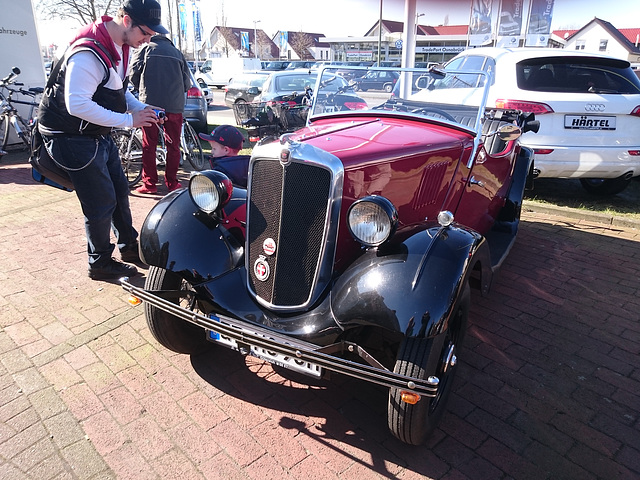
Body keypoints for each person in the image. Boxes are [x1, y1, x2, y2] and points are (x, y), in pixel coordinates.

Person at [37, 0, 168, 280]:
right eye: (145, 32)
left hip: (94, 134)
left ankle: (129, 247)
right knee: (100, 203)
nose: (146, 40)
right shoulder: (88, 53)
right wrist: (129, 121)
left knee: (120, 191)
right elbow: (77, 105)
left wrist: (139, 109)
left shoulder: (121, 47)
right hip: (71, 138)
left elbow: (121, 89)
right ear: (127, 20)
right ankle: (99, 263)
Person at [129, 34, 191, 194]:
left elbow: (132, 75)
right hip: (174, 106)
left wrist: (142, 91)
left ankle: (150, 184)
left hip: (151, 104)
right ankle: (172, 182)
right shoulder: (177, 53)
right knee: (174, 146)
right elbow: (186, 83)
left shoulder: (144, 49)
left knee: (149, 145)